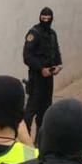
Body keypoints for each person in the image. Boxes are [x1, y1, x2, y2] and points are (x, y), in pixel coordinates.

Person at [23, 7, 62, 136]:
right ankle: (25, 139)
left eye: (48, 18)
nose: (45, 21)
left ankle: (40, 142)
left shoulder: (52, 34)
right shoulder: (34, 33)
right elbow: (27, 56)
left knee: (45, 112)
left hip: (48, 79)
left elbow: (56, 52)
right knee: (30, 111)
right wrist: (41, 69)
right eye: (43, 18)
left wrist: (58, 66)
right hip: (36, 78)